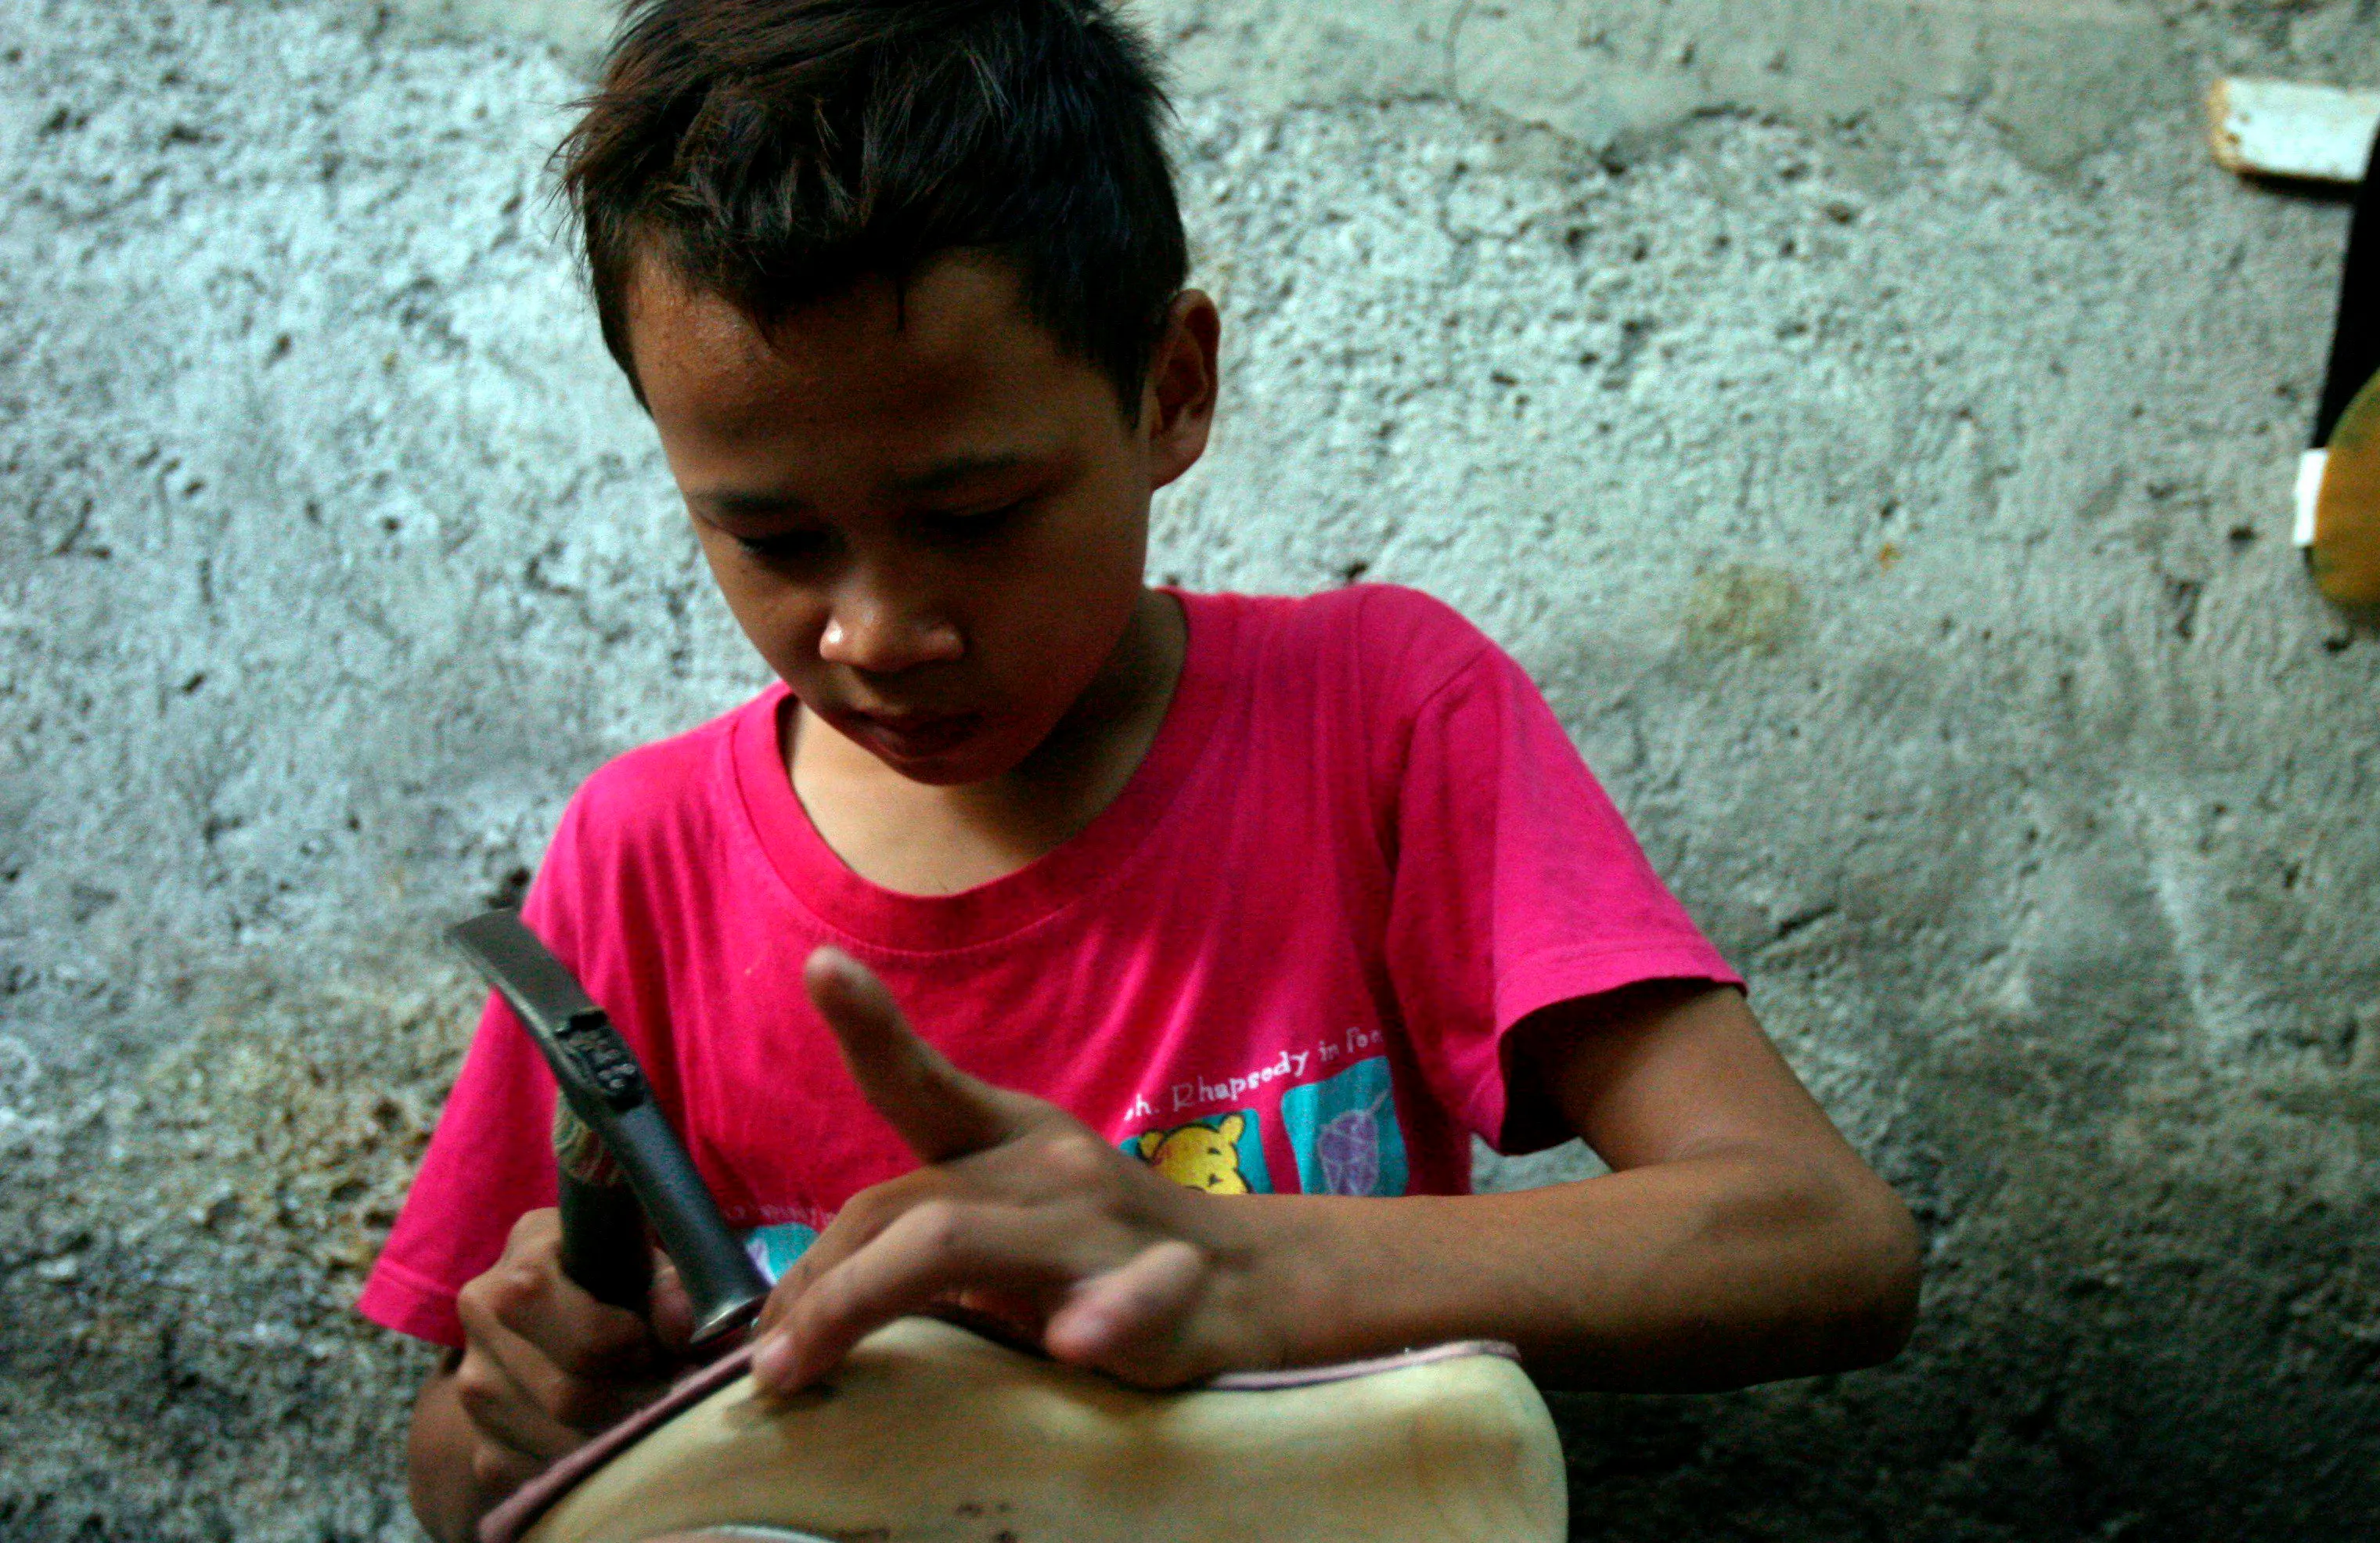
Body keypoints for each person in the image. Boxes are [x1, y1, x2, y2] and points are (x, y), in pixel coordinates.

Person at [358, 2, 1922, 1537]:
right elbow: (452, 1464)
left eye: (975, 517)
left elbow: (1820, 1241)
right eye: (769, 537)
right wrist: (528, 1418)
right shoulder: (644, 858)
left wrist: (1239, 1264)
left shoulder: (1375, 719)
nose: (878, 630)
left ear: (1171, 389)